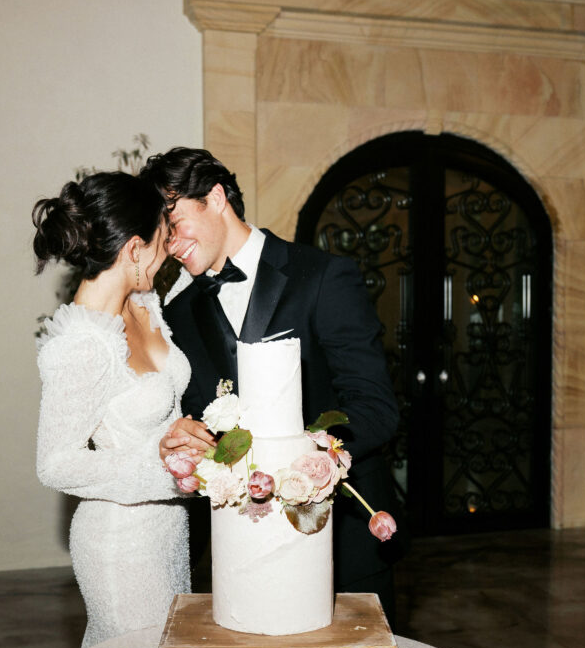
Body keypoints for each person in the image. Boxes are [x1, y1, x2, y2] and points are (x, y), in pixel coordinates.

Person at [142, 147, 401, 621]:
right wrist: (192, 442)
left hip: (341, 536)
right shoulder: (180, 313)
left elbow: (375, 408)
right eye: (163, 236)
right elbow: (206, 421)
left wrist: (300, 462)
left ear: (215, 198)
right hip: (245, 542)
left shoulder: (323, 276)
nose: (172, 246)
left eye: (174, 224)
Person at [32, 170, 213, 648]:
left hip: (168, 528)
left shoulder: (144, 303)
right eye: (162, 239)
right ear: (134, 248)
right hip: (120, 541)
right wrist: (161, 462)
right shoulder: (80, 344)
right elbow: (55, 464)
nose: (168, 250)